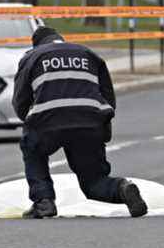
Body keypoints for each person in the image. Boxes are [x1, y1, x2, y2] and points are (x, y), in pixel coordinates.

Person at [12, 26, 148, 218]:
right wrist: (102, 123)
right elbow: (107, 94)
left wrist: (30, 122)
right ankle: (122, 188)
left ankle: (44, 202)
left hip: (48, 123)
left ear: (37, 44)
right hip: (89, 122)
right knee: (93, 183)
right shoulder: (88, 53)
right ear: (61, 38)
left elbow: (20, 101)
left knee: (32, 148)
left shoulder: (32, 57)